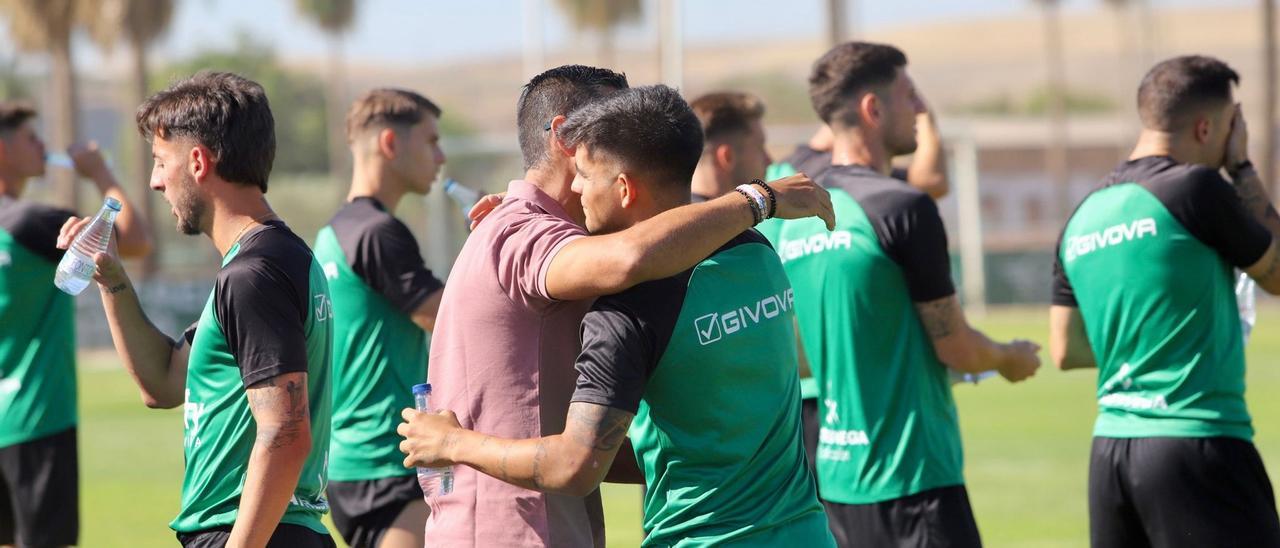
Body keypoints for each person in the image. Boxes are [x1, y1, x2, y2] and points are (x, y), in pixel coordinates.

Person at [406, 64, 833, 547]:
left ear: (624, 184)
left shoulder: (629, 294)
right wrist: (756, 200)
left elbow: (582, 460)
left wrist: (454, 443)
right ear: (565, 137)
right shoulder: (751, 249)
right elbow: (628, 255)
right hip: (511, 532)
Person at [756, 42, 1041, 547]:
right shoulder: (901, 207)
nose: (920, 109)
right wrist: (1008, 357)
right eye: (910, 95)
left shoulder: (798, 220)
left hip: (835, 483)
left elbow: (798, 353)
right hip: (913, 480)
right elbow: (956, 347)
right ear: (874, 108)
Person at [59, 72, 336, 547]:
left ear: (198, 162)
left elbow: (286, 434)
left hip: (254, 532)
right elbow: (165, 382)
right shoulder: (268, 259)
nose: (155, 182)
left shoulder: (254, 274)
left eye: (160, 162)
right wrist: (113, 279)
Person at [1050, 55, 1280, 548]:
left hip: (1111, 454)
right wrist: (1241, 168)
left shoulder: (1084, 215)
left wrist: (1149, 346)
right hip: (1195, 444)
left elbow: (1065, 349)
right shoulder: (1196, 188)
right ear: (1206, 127)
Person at [0, 101, 151, 548]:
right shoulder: (31, 223)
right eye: (31, 138)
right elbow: (136, 240)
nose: (43, 145)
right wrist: (100, 173)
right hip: (34, 419)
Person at [313, 88, 447, 548]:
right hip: (390, 462)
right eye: (431, 141)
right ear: (390, 143)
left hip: (348, 462)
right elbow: (450, 321)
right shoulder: (378, 233)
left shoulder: (333, 232)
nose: (440, 156)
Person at [769, 106, 949, 200]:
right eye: (908, 98)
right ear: (871, 110)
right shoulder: (844, 171)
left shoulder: (791, 165)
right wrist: (924, 114)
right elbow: (932, 183)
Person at [688, 91, 771, 202]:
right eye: (759, 148)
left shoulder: (670, 209)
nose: (769, 161)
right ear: (727, 157)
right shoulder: (717, 216)